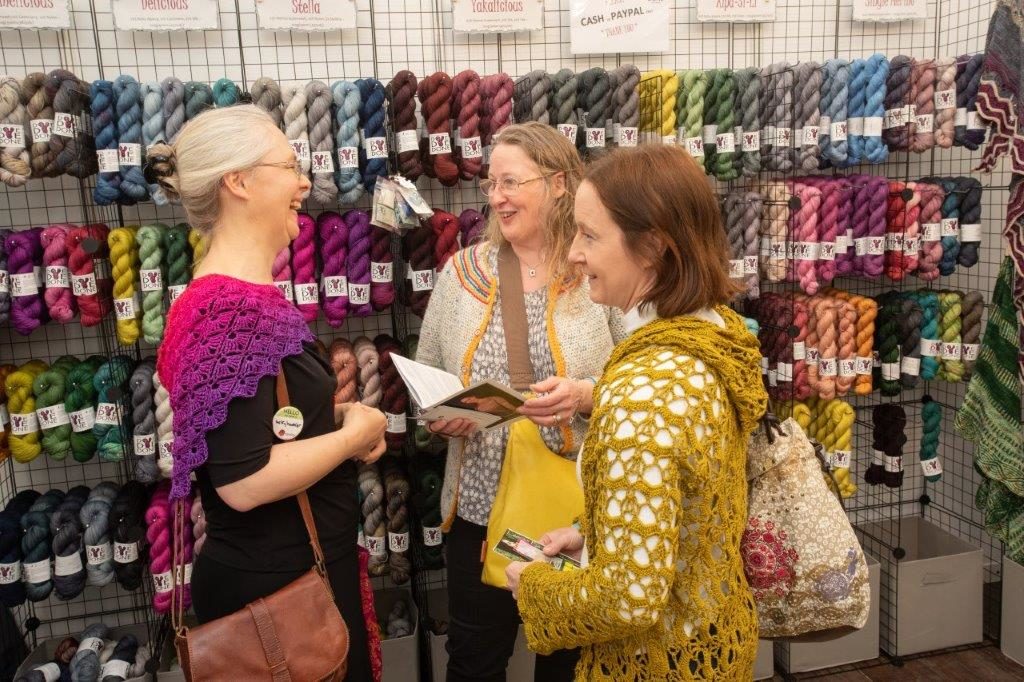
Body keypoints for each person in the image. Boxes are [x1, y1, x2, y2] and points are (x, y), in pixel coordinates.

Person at [505, 144, 768, 680]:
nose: (574, 252)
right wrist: (595, 530)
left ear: (651, 247)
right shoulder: (716, 334)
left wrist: (533, 584)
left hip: (655, 662)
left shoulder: (644, 391)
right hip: (714, 637)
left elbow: (626, 600)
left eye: (590, 235)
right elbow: (689, 496)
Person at [151, 105, 386, 681]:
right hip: (277, 595)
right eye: (288, 166)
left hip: (292, 574)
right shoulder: (226, 310)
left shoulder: (244, 300)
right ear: (239, 182)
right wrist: (353, 433)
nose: (305, 182)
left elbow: (259, 422)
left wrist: (333, 417)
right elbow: (243, 481)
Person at [415, 122, 625, 682]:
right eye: (490, 184)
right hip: (479, 511)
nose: (496, 197)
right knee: (476, 659)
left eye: (511, 182)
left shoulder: (598, 273)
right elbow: (428, 372)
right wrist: (442, 418)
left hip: (577, 509)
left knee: (570, 660)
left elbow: (641, 381)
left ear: (558, 183)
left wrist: (583, 395)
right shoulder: (462, 273)